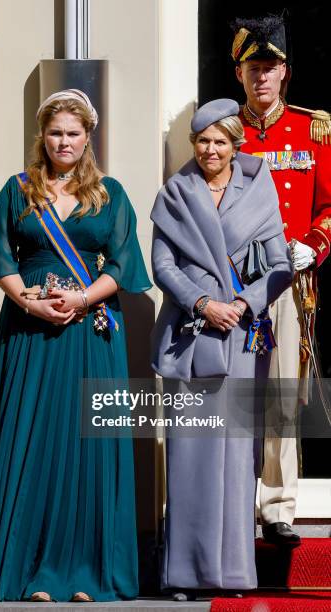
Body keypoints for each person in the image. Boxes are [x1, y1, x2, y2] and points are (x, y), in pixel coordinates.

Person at [0, 89, 151, 602]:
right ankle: (27, 571)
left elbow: (126, 267)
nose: (64, 141)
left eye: (73, 132)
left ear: (88, 137)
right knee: (31, 443)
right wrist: (29, 304)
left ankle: (86, 573)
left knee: (88, 450)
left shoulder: (110, 194)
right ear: (42, 136)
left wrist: (82, 298)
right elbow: (1, 260)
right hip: (29, 334)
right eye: (55, 132)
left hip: (91, 333)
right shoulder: (18, 191)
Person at [151, 98, 293, 598]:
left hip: (242, 338)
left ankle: (233, 572)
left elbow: (280, 263)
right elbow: (162, 266)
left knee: (237, 456)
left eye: (220, 141)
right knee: (190, 456)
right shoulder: (175, 192)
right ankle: (184, 574)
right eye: (202, 141)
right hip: (192, 334)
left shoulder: (260, 190)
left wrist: (242, 302)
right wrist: (204, 302)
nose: (210, 149)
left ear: (237, 144)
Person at [232, 14, 331, 547]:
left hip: (289, 281)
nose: (262, 77)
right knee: (233, 392)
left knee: (279, 396)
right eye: (253, 67)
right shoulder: (225, 133)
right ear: (240, 74)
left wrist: (312, 246)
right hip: (234, 284)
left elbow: (330, 207)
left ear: (285, 72)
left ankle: (277, 507)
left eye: (270, 67)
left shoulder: (311, 129)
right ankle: (231, 501)